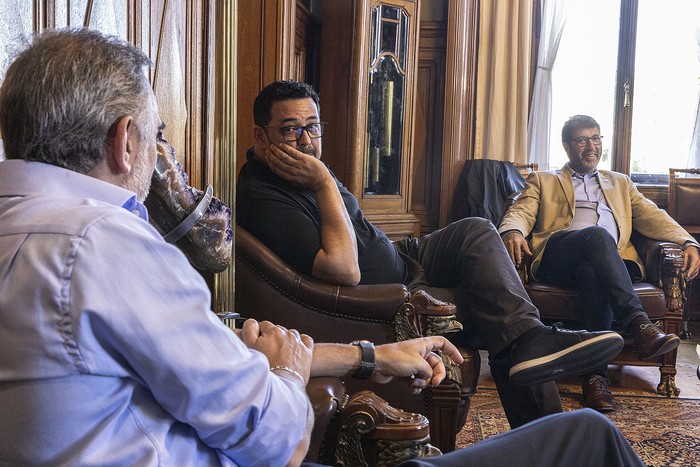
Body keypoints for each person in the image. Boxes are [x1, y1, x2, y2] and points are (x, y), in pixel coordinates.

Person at [0, 29, 648, 467]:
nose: (163, 155)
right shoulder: (108, 246)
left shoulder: (43, 235)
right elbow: (274, 433)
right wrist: (284, 374)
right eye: (159, 135)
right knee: (589, 436)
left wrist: (369, 354)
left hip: (394, 274)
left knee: (477, 241)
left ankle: (528, 346)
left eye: (313, 130)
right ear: (125, 141)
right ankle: (532, 346)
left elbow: (214, 350)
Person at [235, 79, 626, 429]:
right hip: (387, 290)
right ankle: (550, 427)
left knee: (476, 228)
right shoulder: (265, 194)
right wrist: (323, 182)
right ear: (261, 135)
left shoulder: (298, 168)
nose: (306, 141)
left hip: (404, 257)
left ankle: (532, 347)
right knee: (501, 316)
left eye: (313, 127)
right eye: (291, 130)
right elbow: (345, 269)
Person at [499, 114, 700, 413]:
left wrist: (688, 241)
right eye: (582, 140)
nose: (591, 146)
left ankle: (594, 379)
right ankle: (638, 323)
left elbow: (653, 215)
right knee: (596, 235)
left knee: (592, 271)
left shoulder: (620, 183)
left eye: (596, 138)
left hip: (614, 263)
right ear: (567, 146)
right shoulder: (544, 180)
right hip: (559, 256)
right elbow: (523, 211)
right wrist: (512, 230)